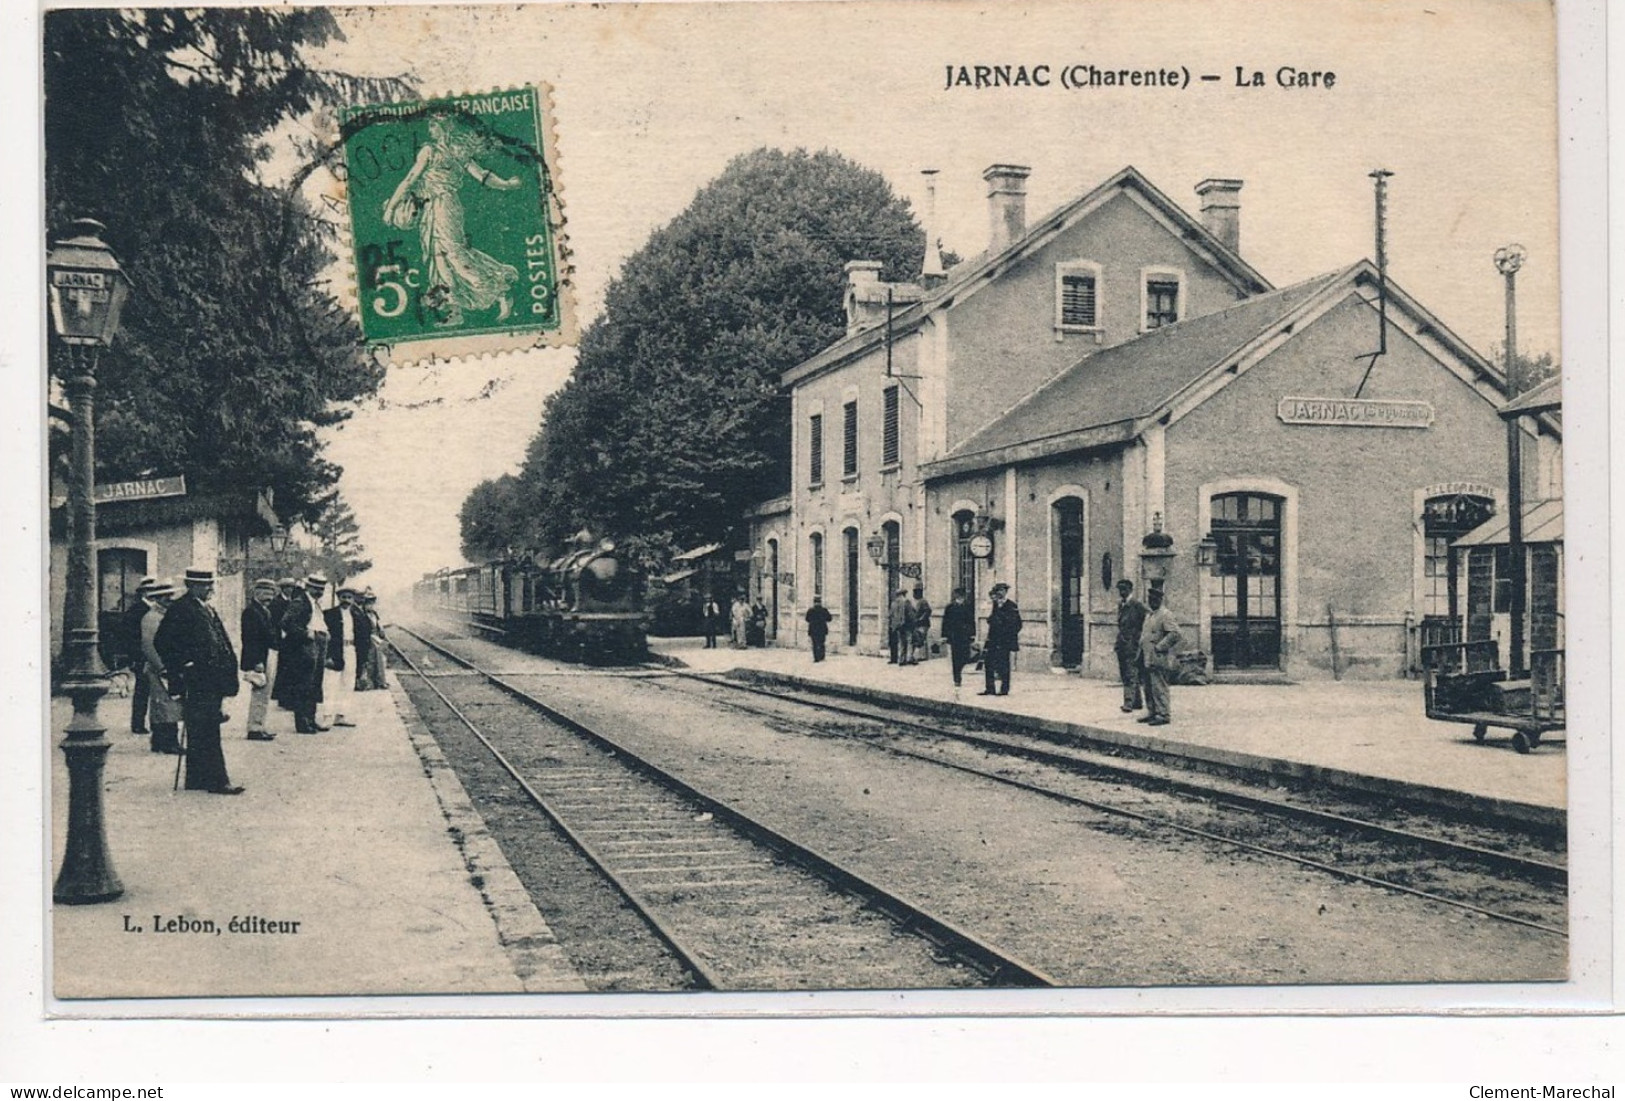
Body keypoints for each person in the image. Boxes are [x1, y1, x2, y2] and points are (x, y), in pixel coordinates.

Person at [383, 113, 521, 328]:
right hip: (430, 208)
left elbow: (482, 175)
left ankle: (499, 289)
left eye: (433, 125)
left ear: (444, 128)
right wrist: (392, 207)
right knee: (437, 259)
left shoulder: (451, 151)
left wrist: (507, 185)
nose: (430, 130)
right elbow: (411, 180)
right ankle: (453, 310)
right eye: (430, 125)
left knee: (454, 254)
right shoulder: (430, 150)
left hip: (445, 205)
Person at [152, 567, 243, 794]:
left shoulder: (206, 608)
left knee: (202, 727)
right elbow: (162, 641)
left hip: (211, 679)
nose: (210, 589)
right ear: (191, 586)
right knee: (207, 728)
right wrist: (184, 664)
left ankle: (197, 778)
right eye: (204, 585)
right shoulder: (181, 609)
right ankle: (217, 780)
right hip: (197, 680)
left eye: (211, 585)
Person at [137, 580, 183, 755]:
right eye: (166, 598)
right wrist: (161, 667)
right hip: (158, 667)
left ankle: (159, 741)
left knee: (165, 705)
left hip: (166, 666)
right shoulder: (151, 618)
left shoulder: (164, 616)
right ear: (159, 599)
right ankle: (168, 741)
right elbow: (148, 645)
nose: (170, 600)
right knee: (164, 705)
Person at [281, 574, 330, 734]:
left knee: (315, 683)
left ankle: (311, 719)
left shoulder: (315, 604)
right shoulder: (300, 602)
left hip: (319, 643)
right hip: (306, 646)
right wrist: (305, 634)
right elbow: (286, 623)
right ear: (308, 587)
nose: (319, 591)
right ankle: (302, 722)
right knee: (304, 683)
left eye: (321, 589)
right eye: (316, 588)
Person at [240, 578, 280, 742]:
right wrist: (257, 661)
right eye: (266, 593)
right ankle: (255, 728)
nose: (269, 597)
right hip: (259, 657)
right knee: (260, 692)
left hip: (267, 653)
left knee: (265, 693)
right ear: (257, 592)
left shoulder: (263, 610)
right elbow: (251, 639)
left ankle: (260, 725)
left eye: (271, 593)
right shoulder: (251, 612)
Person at [1138, 585, 1183, 727]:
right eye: (1150, 599)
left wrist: (1160, 647)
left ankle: (1163, 714)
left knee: (1159, 685)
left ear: (1160, 599)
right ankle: (1152, 711)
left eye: (1155, 599)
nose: (1152, 601)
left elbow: (1175, 634)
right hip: (1146, 656)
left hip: (1158, 656)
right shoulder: (1150, 615)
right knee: (1148, 686)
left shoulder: (1165, 614)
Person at [123, 576, 158, 736]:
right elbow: (130, 638)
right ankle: (137, 723)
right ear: (143, 592)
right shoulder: (136, 610)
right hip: (141, 658)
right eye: (150, 589)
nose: (153, 592)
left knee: (154, 691)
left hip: (153, 656)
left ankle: (153, 722)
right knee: (142, 691)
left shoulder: (155, 609)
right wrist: (136, 659)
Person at [979, 582, 1023, 696]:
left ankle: (1004, 689)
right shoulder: (994, 605)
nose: (999, 593)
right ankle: (990, 688)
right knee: (989, 663)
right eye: (998, 591)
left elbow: (1017, 623)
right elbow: (993, 620)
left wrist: (1008, 634)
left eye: (1002, 591)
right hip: (993, 639)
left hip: (1004, 640)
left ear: (1005, 592)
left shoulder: (1011, 605)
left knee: (1004, 664)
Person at [1113, 579, 1150, 713]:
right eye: (1120, 589)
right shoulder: (1121, 605)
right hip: (1122, 644)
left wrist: (1139, 636)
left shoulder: (1137, 605)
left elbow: (1149, 617)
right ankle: (1137, 702)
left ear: (1130, 590)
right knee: (1125, 673)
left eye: (1124, 589)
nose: (1121, 592)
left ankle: (1128, 703)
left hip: (1132, 645)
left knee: (1131, 673)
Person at [323, 588, 357, 728]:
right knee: (330, 684)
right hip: (335, 652)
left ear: (353, 600)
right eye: (344, 597)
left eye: (349, 597)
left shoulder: (356, 615)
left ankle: (341, 715)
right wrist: (328, 656)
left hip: (350, 650)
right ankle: (327, 716)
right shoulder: (329, 614)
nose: (346, 600)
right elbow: (325, 637)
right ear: (338, 598)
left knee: (348, 684)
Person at [270, 577, 298, 709]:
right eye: (287, 587)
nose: (290, 590)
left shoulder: (293, 602)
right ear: (282, 588)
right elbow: (275, 621)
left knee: (293, 668)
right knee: (283, 668)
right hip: (282, 638)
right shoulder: (276, 602)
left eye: (291, 588)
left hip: (292, 638)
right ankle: (283, 698)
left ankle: (290, 698)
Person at [940, 588, 976, 688]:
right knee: (956, 658)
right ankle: (957, 678)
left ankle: (959, 670)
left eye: (962, 596)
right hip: (954, 636)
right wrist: (944, 636)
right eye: (959, 596)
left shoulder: (968, 607)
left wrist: (973, 635)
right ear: (956, 596)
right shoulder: (950, 607)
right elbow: (945, 622)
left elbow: (972, 622)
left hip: (965, 636)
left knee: (966, 656)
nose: (961, 598)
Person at [356, 590, 389, 691]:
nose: (370, 605)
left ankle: (379, 681)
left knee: (380, 660)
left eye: (372, 602)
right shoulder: (361, 614)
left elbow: (378, 625)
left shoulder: (374, 614)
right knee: (369, 661)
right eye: (368, 603)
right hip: (367, 639)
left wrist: (382, 632)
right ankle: (368, 682)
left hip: (376, 639)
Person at [887, 587, 915, 665]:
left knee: (902, 642)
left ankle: (902, 660)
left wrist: (893, 625)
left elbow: (890, 615)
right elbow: (910, 614)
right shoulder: (906, 602)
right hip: (907, 624)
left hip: (898, 626)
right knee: (910, 641)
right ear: (904, 594)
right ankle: (909, 658)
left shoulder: (893, 603)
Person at [909, 585, 933, 665]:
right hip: (915, 624)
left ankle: (922, 656)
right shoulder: (913, 601)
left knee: (921, 639)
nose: (914, 594)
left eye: (916, 592)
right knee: (915, 640)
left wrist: (921, 619)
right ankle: (914, 656)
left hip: (923, 624)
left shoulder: (923, 601)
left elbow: (927, 611)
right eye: (914, 592)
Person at [804, 595, 832, 662]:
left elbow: (807, 619)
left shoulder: (810, 610)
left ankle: (816, 658)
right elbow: (829, 619)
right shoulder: (824, 610)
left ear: (814, 602)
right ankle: (822, 657)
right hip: (822, 630)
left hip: (813, 630)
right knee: (821, 643)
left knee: (814, 644)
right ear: (820, 602)